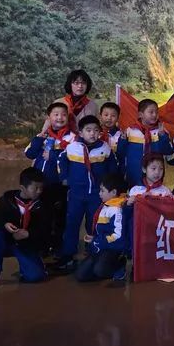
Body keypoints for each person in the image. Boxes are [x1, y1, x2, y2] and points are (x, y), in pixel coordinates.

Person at [55, 115, 118, 272]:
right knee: (72, 224)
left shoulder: (105, 148)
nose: (92, 133)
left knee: (94, 223)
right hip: (76, 194)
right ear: (81, 132)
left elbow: (113, 166)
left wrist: (110, 184)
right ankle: (68, 254)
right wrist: (64, 178)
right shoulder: (72, 147)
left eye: (96, 130)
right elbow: (61, 160)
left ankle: (92, 250)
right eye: (88, 130)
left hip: (96, 195)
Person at [0, 167, 49, 289]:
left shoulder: (42, 205)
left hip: (26, 244)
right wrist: (4, 224)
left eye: (41, 188)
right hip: (6, 242)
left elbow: (46, 230)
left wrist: (28, 234)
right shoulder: (7, 200)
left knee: (35, 276)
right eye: (35, 188)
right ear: (23, 188)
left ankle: (27, 267)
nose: (39, 191)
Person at [24, 102, 76, 252]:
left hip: (58, 185)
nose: (60, 118)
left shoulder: (72, 138)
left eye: (63, 115)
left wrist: (53, 155)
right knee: (39, 215)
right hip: (39, 185)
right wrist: (40, 137)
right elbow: (29, 154)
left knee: (58, 216)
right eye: (56, 114)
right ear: (49, 117)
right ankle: (41, 245)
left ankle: (57, 246)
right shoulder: (43, 136)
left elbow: (73, 159)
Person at [75, 173, 128, 282]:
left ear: (113, 192)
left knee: (100, 270)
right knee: (81, 275)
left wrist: (98, 241)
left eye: (102, 191)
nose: (99, 193)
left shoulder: (117, 209)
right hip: (101, 246)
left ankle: (119, 266)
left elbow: (118, 236)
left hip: (112, 248)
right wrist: (94, 239)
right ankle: (100, 267)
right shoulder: (106, 205)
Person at [121, 99, 173, 187]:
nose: (155, 115)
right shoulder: (130, 131)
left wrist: (162, 136)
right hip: (134, 174)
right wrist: (122, 140)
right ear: (140, 115)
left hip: (155, 176)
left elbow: (168, 151)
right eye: (151, 112)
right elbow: (121, 152)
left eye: (156, 112)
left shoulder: (162, 131)